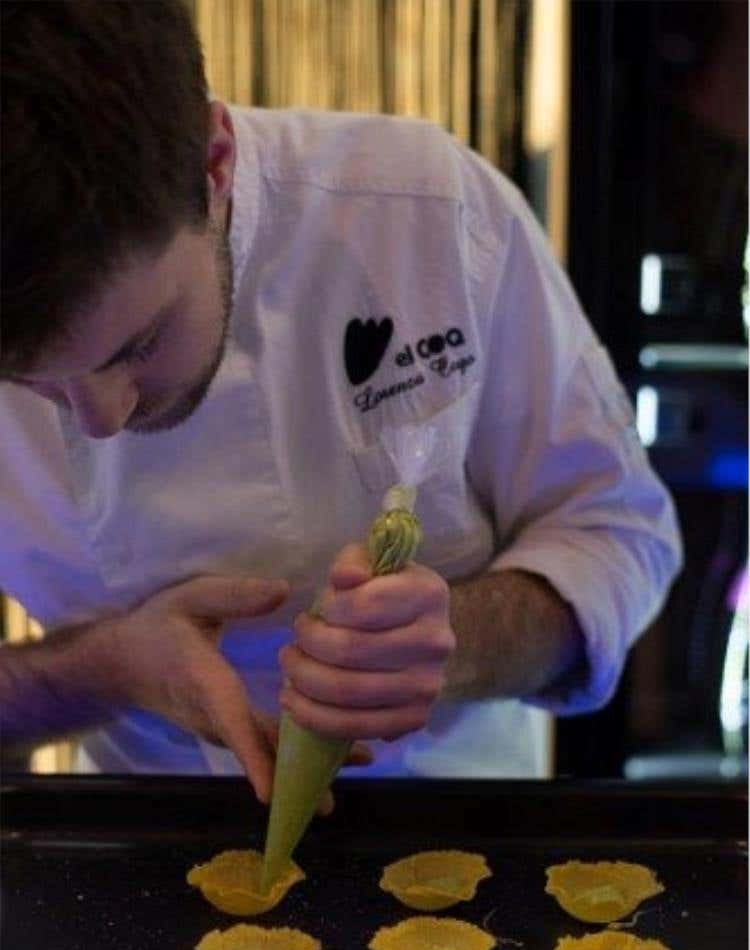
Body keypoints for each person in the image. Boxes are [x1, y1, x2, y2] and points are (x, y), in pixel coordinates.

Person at [0, 0, 682, 796]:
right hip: (133, 830)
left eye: (139, 345)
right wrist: (103, 670)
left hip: (452, 814)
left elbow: (617, 533)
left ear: (214, 165)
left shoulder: (420, 210)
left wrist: (461, 642)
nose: (101, 418)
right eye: (26, 380)